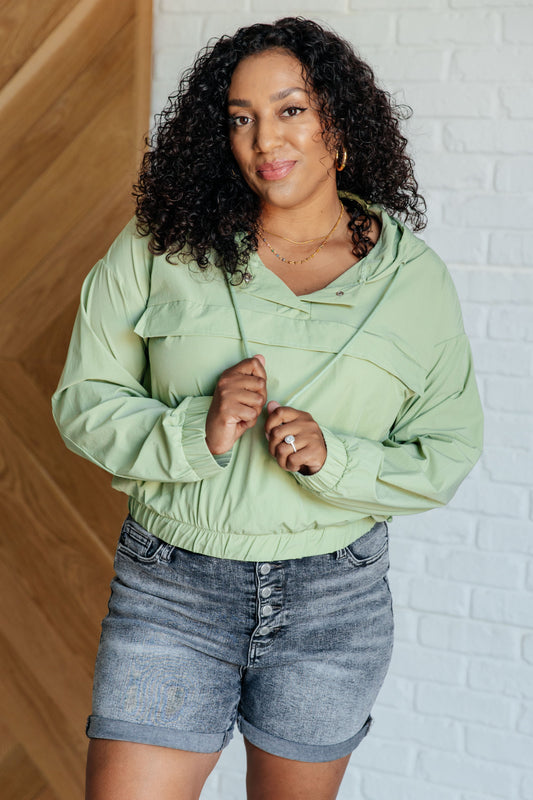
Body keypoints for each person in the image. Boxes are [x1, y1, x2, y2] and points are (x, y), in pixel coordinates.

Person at [52, 16, 483, 800]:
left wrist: (336, 456)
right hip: (171, 590)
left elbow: (446, 450)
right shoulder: (160, 245)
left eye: (289, 109)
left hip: (333, 602)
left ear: (337, 124)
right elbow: (83, 400)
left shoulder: (411, 281)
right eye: (240, 118)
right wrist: (196, 428)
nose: (262, 140)